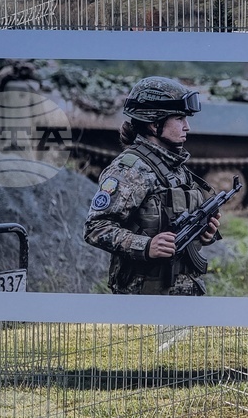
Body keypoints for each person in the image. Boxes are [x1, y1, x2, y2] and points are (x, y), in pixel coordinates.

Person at [84, 76, 221, 296]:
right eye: (179, 118)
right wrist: (146, 246)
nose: (187, 127)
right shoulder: (130, 169)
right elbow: (96, 228)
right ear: (154, 123)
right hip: (144, 297)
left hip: (184, 293)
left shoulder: (176, 167)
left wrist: (204, 233)